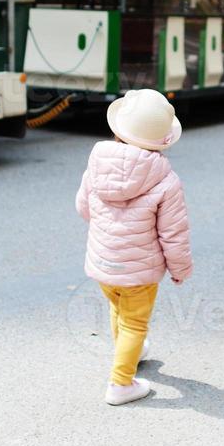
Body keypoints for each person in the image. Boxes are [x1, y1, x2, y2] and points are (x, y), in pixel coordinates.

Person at [76, 88, 193, 406]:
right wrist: (180, 269)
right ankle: (120, 383)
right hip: (139, 273)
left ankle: (130, 351)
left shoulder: (98, 165)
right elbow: (174, 234)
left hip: (102, 265)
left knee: (118, 308)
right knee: (135, 321)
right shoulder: (166, 181)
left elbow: (83, 207)